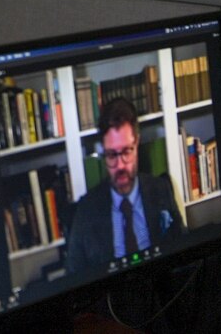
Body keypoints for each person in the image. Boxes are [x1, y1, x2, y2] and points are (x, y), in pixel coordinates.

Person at [65, 97, 185, 273]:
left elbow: (184, 251)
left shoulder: (161, 189)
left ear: (136, 143)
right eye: (112, 155)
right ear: (102, 152)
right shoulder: (86, 211)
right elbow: (74, 279)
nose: (120, 166)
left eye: (127, 151)